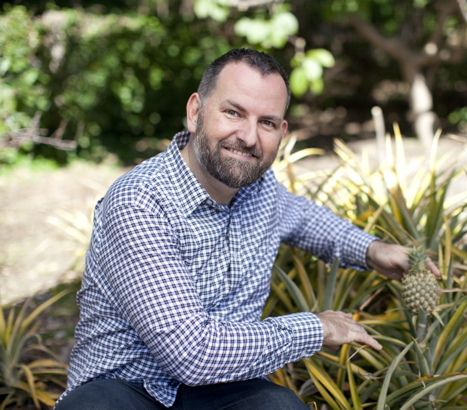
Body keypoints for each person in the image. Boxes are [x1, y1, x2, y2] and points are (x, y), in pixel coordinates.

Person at [55, 48, 439, 410]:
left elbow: (305, 219)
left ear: (282, 132)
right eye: (234, 113)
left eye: (266, 122)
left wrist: (373, 250)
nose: (250, 137)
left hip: (224, 389)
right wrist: (316, 328)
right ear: (195, 112)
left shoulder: (260, 190)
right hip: (126, 390)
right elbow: (192, 354)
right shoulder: (139, 201)